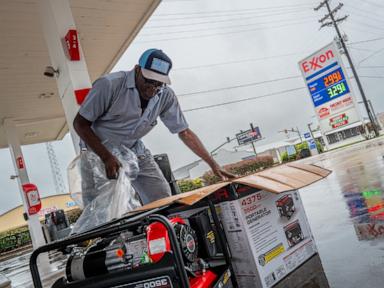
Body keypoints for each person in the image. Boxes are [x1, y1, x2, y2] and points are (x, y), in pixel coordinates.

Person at [73, 48, 235, 206]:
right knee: (100, 209)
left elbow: (184, 132)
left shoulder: (165, 95)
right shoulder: (109, 85)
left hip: (134, 150)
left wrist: (213, 164)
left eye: (159, 83)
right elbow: (80, 124)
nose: (153, 88)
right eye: (149, 81)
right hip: (97, 153)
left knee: (162, 198)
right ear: (137, 70)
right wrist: (107, 157)